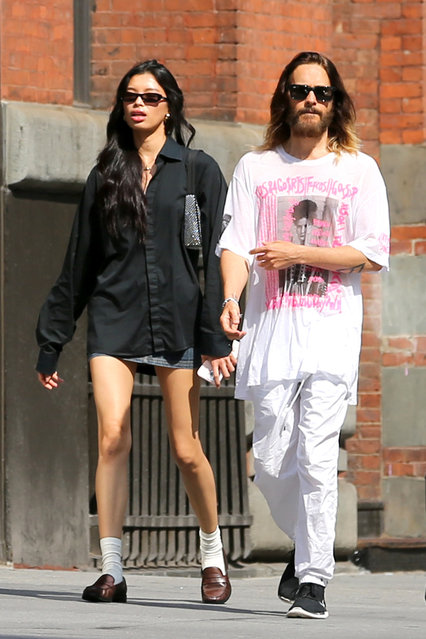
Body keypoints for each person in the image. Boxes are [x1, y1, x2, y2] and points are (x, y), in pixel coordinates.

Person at [36, 60, 235, 604]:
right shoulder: (107, 173)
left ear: (170, 104)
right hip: (114, 314)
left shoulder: (199, 171)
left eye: (149, 96)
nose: (138, 104)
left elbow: (215, 259)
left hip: (180, 317)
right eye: (130, 97)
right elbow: (80, 260)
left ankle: (212, 555)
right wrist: (52, 339)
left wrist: (216, 339)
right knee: (112, 436)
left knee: (185, 446)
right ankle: (113, 570)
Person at [218, 51, 390, 619]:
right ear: (284, 99)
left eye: (322, 91)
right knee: (268, 458)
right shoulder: (256, 167)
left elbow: (368, 252)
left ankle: (314, 577)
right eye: (299, 90)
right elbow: (237, 244)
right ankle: (306, 543)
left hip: (330, 332)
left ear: (336, 101)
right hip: (271, 332)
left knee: (317, 458)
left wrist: (300, 252)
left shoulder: (358, 169)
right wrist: (228, 299)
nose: (311, 99)